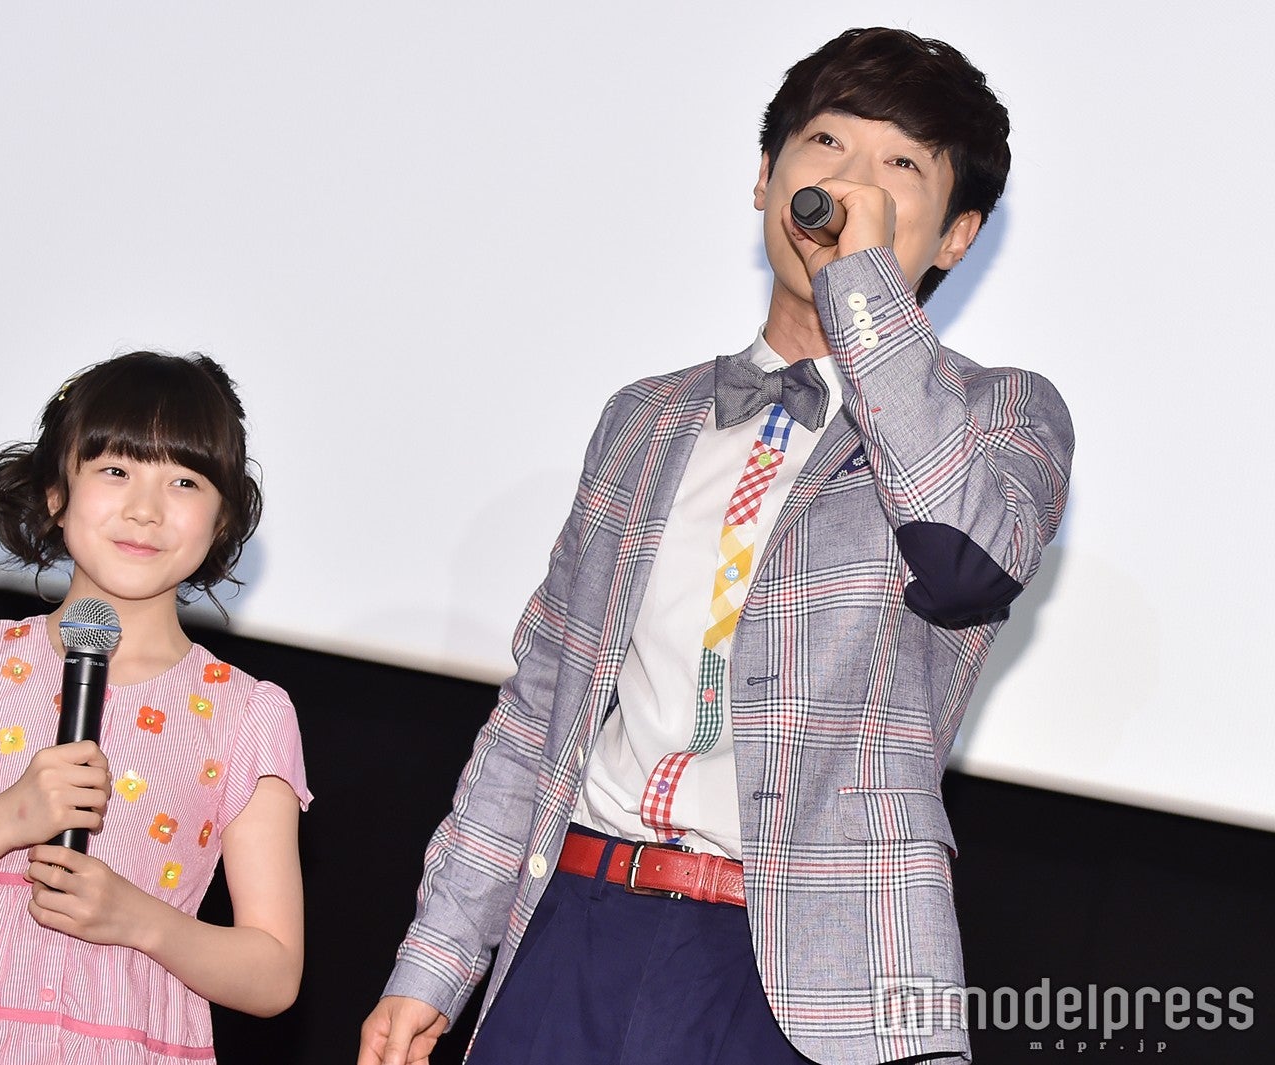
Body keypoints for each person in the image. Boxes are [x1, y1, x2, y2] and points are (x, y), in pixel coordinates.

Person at [360, 27, 1073, 1065]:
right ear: (765, 177)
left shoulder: (998, 416)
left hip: (802, 979)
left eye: (899, 166)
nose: (850, 182)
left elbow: (965, 564)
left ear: (956, 235)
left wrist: (865, 289)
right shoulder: (645, 420)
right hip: (579, 924)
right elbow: (539, 711)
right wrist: (434, 959)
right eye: (826, 143)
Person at [0, 351, 310, 1064]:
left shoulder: (246, 715)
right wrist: (11, 816)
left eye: (184, 480)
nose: (145, 509)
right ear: (55, 491)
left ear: (223, 516)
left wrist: (140, 920)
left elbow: (274, 973)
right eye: (115, 470)